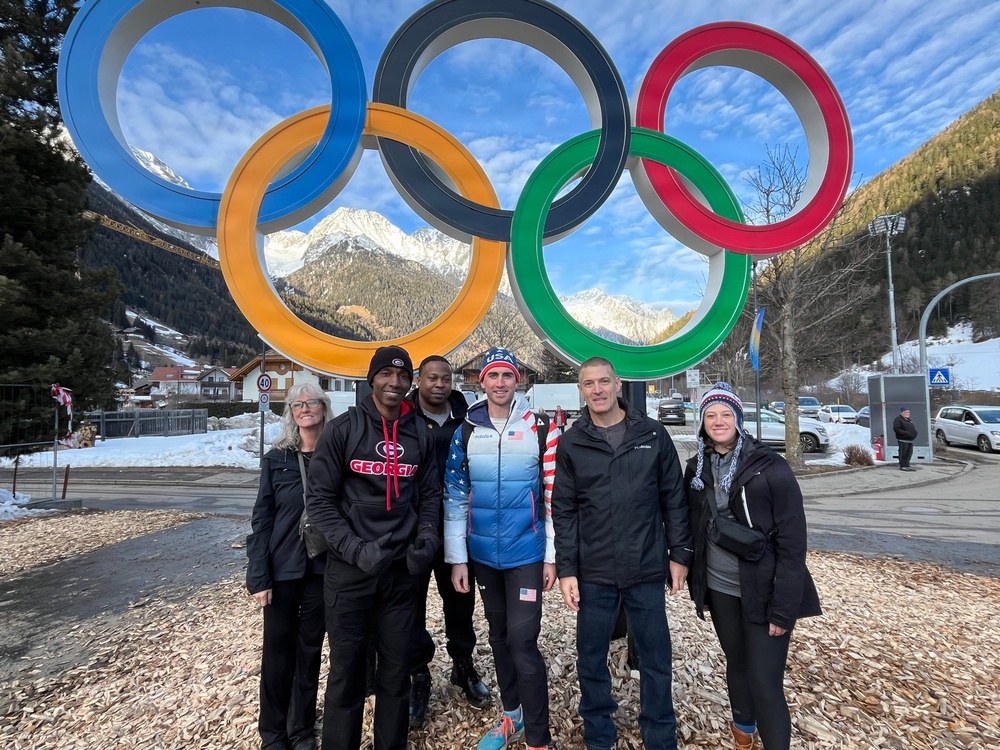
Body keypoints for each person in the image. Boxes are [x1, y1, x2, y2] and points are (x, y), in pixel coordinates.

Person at [551, 357, 692, 750]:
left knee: (655, 658)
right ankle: (599, 733)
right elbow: (562, 509)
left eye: (603, 382)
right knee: (591, 658)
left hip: (646, 567)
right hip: (593, 571)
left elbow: (674, 499)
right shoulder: (572, 441)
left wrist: (679, 553)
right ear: (580, 390)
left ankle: (660, 734)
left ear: (616, 385)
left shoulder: (652, 434)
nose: (596, 389)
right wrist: (567, 570)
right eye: (588, 384)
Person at [306, 346, 441, 750]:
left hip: (400, 574)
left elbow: (431, 494)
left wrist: (427, 539)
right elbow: (320, 502)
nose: (395, 383)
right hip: (350, 573)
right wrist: (354, 548)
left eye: (403, 376)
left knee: (396, 675)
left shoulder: (420, 434)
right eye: (386, 374)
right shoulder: (343, 430)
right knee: (346, 674)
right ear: (372, 379)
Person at [684, 383, 821, 750]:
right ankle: (743, 734)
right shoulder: (697, 470)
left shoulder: (770, 467)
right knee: (737, 664)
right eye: (710, 415)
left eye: (726, 414)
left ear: (739, 419)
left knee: (765, 680)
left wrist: (784, 607)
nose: (718, 421)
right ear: (702, 423)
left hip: (766, 588)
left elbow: (793, 543)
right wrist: (701, 590)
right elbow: (695, 529)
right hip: (721, 588)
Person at [444, 347, 560, 750]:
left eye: (507, 376)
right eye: (492, 376)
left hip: (526, 554)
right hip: (482, 557)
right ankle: (512, 716)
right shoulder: (466, 429)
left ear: (518, 380)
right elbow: (455, 495)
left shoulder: (539, 426)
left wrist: (551, 557)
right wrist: (457, 557)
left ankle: (539, 739)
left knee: (523, 642)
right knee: (497, 637)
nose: (499, 383)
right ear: (482, 381)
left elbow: (552, 496)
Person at [246, 383, 332, 750]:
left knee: (310, 650)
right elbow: (262, 519)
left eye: (311, 402)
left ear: (324, 408)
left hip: (322, 569)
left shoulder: (335, 455)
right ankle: (273, 733)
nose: (305, 408)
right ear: (291, 413)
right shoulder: (276, 458)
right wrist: (259, 576)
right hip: (282, 569)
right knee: (277, 653)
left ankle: (301, 730)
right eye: (298, 404)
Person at [407, 355, 491, 729]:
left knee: (460, 602)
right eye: (431, 378)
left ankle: (463, 665)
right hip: (411, 530)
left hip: (458, 529)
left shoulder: (469, 418)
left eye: (445, 378)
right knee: (409, 608)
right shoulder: (402, 416)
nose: (439, 384)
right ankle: (417, 674)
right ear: (419, 380)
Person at [894, 407, 918, 471]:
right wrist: (906, 433)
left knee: (909, 453)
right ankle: (902, 465)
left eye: (908, 412)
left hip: (910, 440)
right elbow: (897, 429)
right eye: (906, 412)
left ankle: (907, 464)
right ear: (902, 413)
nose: (908, 413)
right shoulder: (898, 419)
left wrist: (915, 433)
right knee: (903, 453)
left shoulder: (909, 420)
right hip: (903, 439)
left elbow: (912, 428)